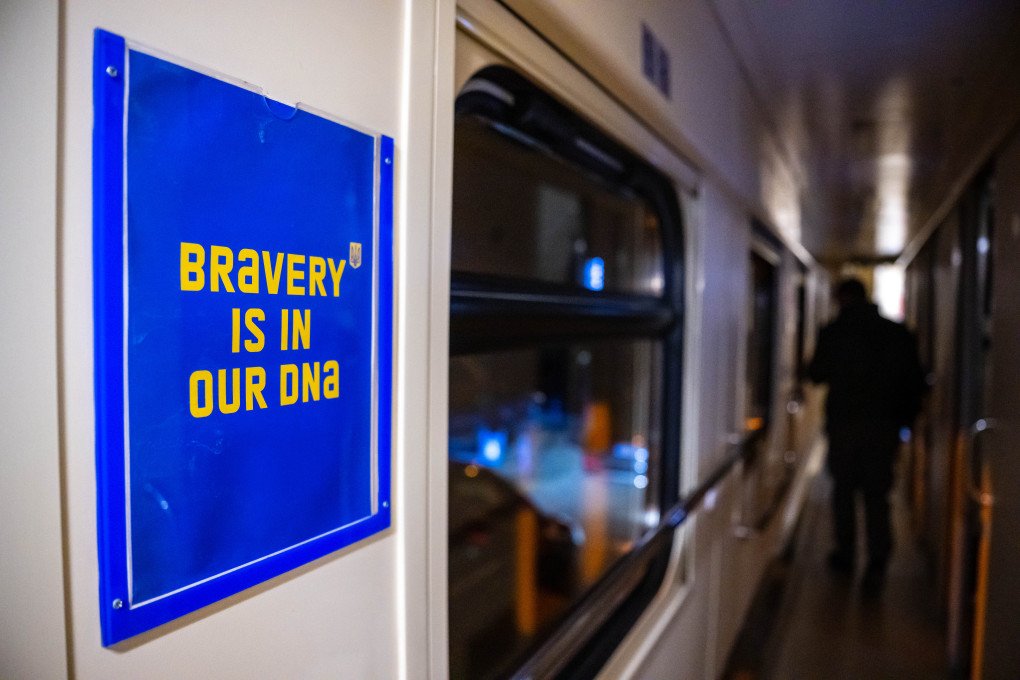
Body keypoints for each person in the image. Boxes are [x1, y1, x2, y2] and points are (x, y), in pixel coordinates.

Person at [807, 277, 924, 594]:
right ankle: (877, 562)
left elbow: (817, 373)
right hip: (883, 428)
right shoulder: (896, 333)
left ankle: (845, 556)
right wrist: (905, 424)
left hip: (844, 426)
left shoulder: (834, 332)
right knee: (877, 495)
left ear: (841, 298)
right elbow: (914, 382)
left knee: (843, 491)